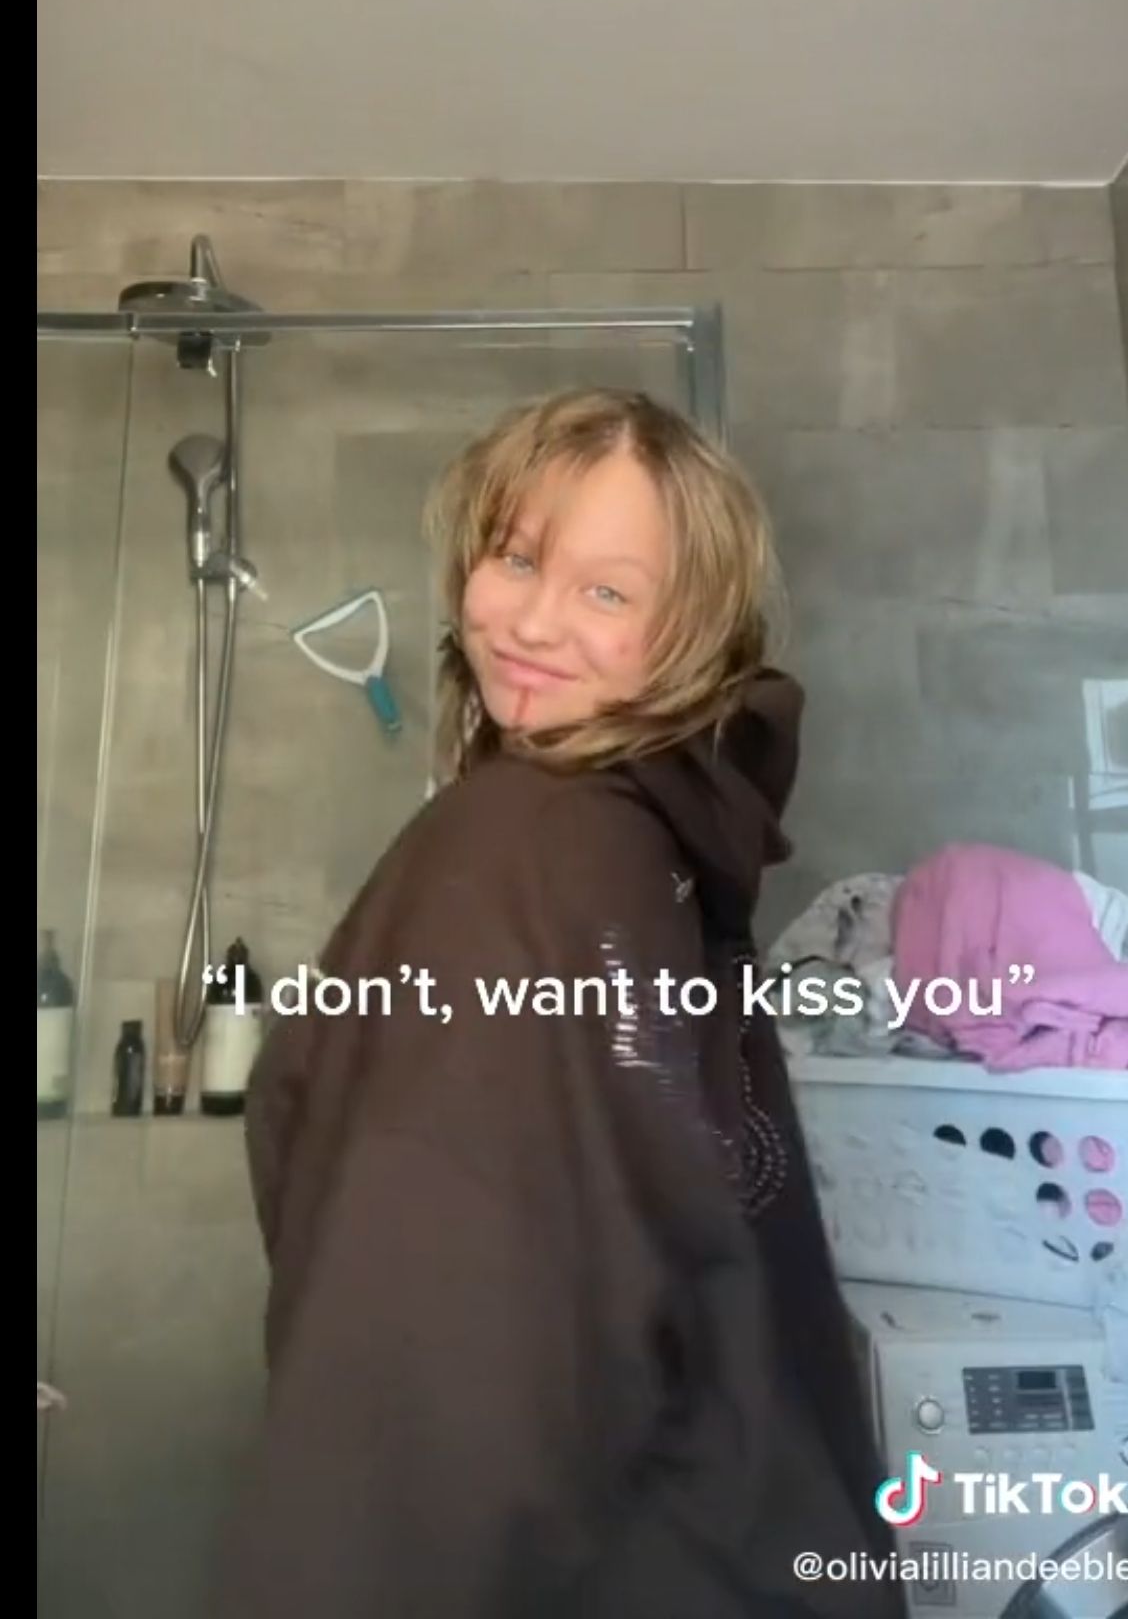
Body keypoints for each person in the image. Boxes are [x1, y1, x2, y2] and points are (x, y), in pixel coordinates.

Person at [214, 388, 902, 1619]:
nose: (533, 621)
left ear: (689, 629)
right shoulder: (658, 834)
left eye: (607, 592)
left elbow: (445, 1358)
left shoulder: (525, 847)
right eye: (520, 558)